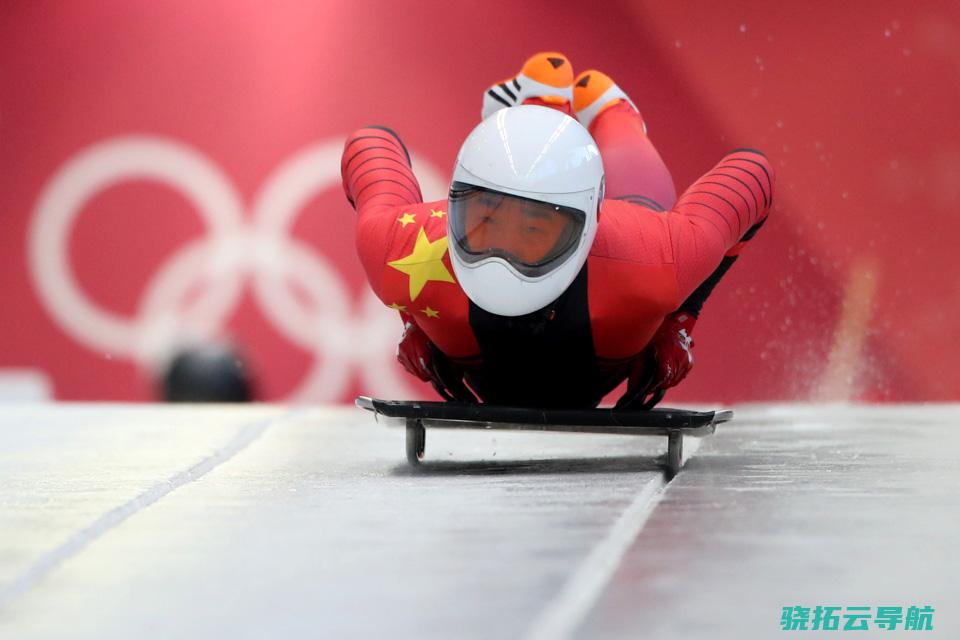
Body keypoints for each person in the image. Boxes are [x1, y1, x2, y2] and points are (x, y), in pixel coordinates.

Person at [341, 52, 773, 409]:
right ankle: (546, 106)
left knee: (644, 203)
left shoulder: (653, 256)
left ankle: (608, 112)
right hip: (611, 302)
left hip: (618, 241)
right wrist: (411, 315)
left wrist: (679, 321)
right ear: (456, 205)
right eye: (485, 219)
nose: (504, 250)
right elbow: (366, 144)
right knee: (639, 206)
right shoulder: (399, 251)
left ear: (584, 225)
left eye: (533, 229)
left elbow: (754, 175)